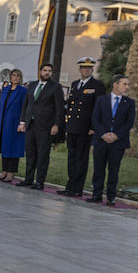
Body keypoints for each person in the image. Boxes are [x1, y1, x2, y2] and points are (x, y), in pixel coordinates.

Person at [59, 57, 106, 198]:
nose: (86, 70)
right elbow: (71, 106)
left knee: (81, 158)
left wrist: (94, 127)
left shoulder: (97, 85)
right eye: (84, 68)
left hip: (86, 128)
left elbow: (99, 108)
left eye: (89, 68)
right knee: (71, 157)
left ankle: (77, 188)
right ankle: (70, 185)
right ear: (80, 69)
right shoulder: (74, 84)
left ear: (92, 70)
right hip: (72, 126)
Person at [17, 63, 64, 190]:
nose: (47, 73)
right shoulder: (32, 85)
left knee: (42, 155)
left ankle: (40, 182)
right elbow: (26, 105)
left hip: (46, 126)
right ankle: (28, 179)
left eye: (49, 71)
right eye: (45, 70)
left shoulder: (56, 87)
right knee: (30, 154)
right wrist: (22, 122)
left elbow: (59, 108)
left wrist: (56, 124)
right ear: (40, 71)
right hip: (30, 124)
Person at [89, 75, 134, 206]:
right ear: (115, 84)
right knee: (98, 169)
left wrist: (116, 135)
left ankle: (111, 196)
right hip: (101, 140)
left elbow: (129, 123)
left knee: (113, 170)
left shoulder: (129, 103)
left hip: (118, 142)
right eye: (124, 84)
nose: (127, 87)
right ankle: (96, 195)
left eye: (127, 84)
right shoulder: (101, 100)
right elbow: (95, 119)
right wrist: (103, 134)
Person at [0, 69, 28, 182]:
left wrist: (22, 122)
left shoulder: (23, 91)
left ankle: (11, 172)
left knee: (13, 148)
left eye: (18, 76)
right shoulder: (6, 89)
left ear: (20, 78)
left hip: (15, 123)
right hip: (4, 122)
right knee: (4, 147)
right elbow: (0, 107)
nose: (15, 77)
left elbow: (24, 108)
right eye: (13, 75)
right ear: (10, 77)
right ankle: (4, 171)